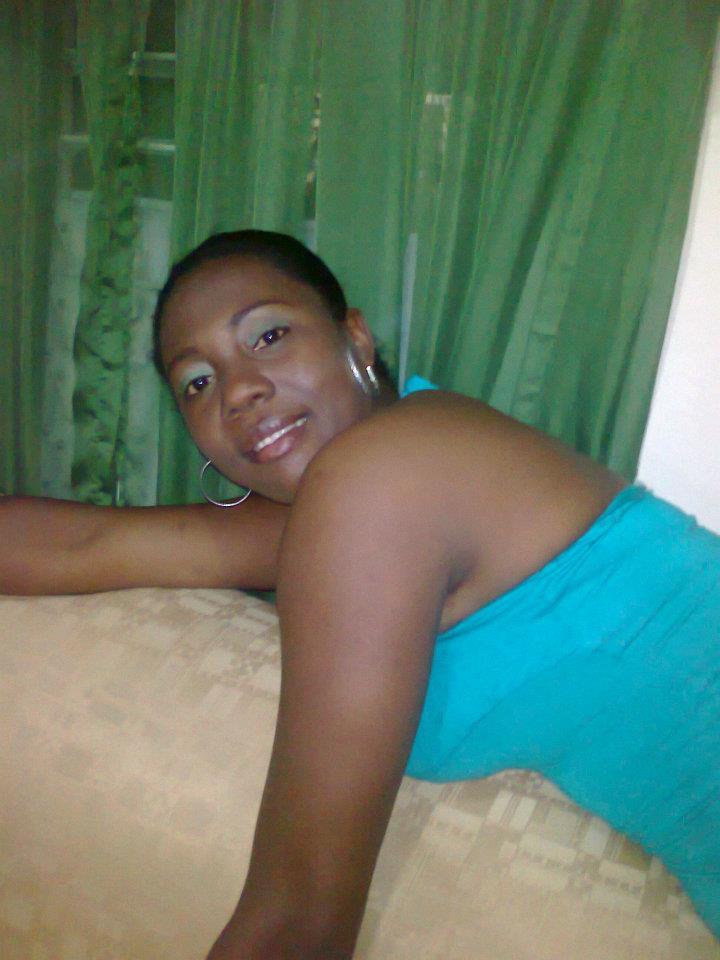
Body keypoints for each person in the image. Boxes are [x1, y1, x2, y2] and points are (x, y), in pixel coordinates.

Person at [1, 230, 718, 959]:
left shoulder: (381, 481)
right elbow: (89, 545)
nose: (238, 391)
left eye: (268, 336)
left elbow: (298, 920)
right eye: (198, 382)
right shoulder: (363, 490)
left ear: (357, 336)